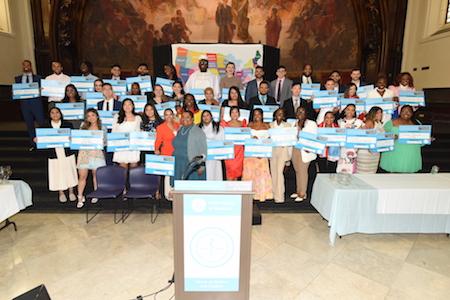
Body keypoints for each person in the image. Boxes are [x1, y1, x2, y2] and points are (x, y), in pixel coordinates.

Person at [41, 107, 77, 203]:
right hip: (54, 153)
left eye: (57, 112)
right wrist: (38, 140)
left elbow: (74, 138)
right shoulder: (45, 126)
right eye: (52, 113)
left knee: (69, 171)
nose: (55, 114)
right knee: (57, 173)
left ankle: (71, 192)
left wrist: (72, 138)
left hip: (67, 153)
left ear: (60, 114)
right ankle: (61, 192)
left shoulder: (68, 125)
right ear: (49, 115)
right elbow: (43, 140)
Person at [76, 108, 106, 208]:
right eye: (88, 116)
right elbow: (78, 140)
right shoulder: (82, 126)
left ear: (97, 116)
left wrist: (101, 142)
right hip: (84, 153)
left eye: (93, 115)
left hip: (97, 153)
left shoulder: (103, 127)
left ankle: (96, 194)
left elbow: (105, 142)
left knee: (96, 175)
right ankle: (80, 197)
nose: (91, 117)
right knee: (82, 176)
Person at [380, 105, 423, 173]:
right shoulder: (391, 123)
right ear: (400, 112)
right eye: (404, 111)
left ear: (412, 113)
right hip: (394, 155)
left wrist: (427, 139)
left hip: (411, 156)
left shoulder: (417, 123)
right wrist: (391, 137)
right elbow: (381, 138)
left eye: (408, 111)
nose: (406, 113)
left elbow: (421, 142)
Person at [242, 108, 273, 201]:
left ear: (262, 115)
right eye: (255, 114)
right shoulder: (249, 125)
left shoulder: (267, 126)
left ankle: (262, 194)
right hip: (250, 155)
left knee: (262, 174)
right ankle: (250, 194)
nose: (257, 116)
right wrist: (252, 138)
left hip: (262, 154)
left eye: (259, 114)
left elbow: (270, 140)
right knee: (250, 173)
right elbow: (244, 138)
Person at [14, 59, 45, 151]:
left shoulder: (38, 78)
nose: (26, 66)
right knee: (29, 125)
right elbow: (17, 92)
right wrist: (14, 92)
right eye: (24, 65)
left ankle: (43, 143)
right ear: (22, 66)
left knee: (41, 123)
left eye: (28, 65)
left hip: (36, 104)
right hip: (25, 105)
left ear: (31, 66)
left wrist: (41, 90)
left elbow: (43, 91)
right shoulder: (18, 79)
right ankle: (33, 144)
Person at [172, 111, 207, 185]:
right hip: (178, 163)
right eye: (183, 117)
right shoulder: (180, 129)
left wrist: (202, 165)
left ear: (192, 119)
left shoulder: (198, 131)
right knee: (179, 188)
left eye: (187, 117)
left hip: (190, 165)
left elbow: (203, 150)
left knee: (190, 188)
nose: (185, 119)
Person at [291, 107, 317, 202]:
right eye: (298, 112)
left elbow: (314, 137)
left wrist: (309, 148)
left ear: (306, 113)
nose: (300, 113)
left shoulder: (311, 123)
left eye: (302, 111)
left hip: (306, 150)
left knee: (303, 171)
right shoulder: (294, 123)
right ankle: (299, 191)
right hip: (295, 149)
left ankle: (302, 194)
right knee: (297, 171)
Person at [155, 108, 179, 198]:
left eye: (170, 114)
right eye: (166, 114)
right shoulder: (160, 127)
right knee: (168, 176)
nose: (168, 116)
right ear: (164, 116)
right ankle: (168, 195)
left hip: (177, 153)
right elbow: (158, 141)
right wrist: (156, 149)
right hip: (166, 153)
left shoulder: (178, 125)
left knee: (177, 174)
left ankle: (176, 193)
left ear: (173, 115)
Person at [112, 99, 142, 169]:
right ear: (122, 106)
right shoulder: (117, 116)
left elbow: (139, 132)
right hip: (121, 146)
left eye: (129, 104)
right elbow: (114, 132)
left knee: (134, 170)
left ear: (133, 106)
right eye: (125, 104)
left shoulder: (138, 118)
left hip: (133, 147)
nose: (127, 106)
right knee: (123, 171)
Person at [269, 108, 292, 203]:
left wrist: (289, 158)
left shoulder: (288, 126)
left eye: (282, 114)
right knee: (273, 173)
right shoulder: (270, 126)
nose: (280, 115)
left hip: (283, 151)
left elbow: (290, 141)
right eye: (278, 113)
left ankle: (280, 197)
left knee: (279, 173)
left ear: (284, 116)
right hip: (272, 151)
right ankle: (274, 194)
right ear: (275, 115)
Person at [336, 104, 364, 174]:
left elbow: (363, 135)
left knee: (351, 171)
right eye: (348, 109)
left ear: (354, 112)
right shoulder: (339, 122)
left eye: (352, 110)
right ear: (344, 110)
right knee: (341, 171)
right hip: (342, 150)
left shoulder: (359, 122)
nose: (350, 112)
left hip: (354, 150)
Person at [220, 107, 247, 180]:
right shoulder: (225, 124)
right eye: (232, 112)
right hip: (229, 150)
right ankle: (229, 190)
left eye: (236, 112)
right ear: (230, 114)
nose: (234, 114)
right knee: (229, 172)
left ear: (239, 114)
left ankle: (236, 190)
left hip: (240, 151)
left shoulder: (243, 124)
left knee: (238, 173)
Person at [356, 106, 384, 174]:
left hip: (375, 152)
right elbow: (362, 135)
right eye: (378, 112)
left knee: (372, 172)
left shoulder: (379, 123)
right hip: (367, 151)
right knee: (363, 171)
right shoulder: (369, 122)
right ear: (373, 113)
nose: (380, 114)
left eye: (381, 113)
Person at [199, 110, 225, 180]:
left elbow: (221, 142)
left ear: (211, 117)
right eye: (204, 116)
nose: (206, 117)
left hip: (215, 156)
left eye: (207, 115)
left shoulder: (218, 128)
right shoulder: (199, 128)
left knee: (216, 175)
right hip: (203, 157)